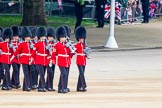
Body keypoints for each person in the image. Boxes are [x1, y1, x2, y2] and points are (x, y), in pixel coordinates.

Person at [10, 27, 33, 91]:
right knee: (26, 73)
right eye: (27, 37)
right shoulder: (22, 44)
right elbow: (17, 51)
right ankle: (28, 86)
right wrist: (12, 58)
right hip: (24, 60)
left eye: (29, 36)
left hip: (29, 60)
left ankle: (25, 87)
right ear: (25, 37)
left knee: (28, 73)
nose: (29, 38)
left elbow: (33, 52)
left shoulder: (30, 44)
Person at [51, 26, 71, 93]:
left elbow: (69, 54)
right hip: (61, 61)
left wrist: (72, 52)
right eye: (62, 37)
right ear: (59, 38)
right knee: (64, 74)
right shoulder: (57, 45)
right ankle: (62, 88)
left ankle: (62, 87)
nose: (63, 38)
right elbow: (54, 53)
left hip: (66, 61)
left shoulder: (67, 45)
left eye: (64, 37)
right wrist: (52, 60)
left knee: (64, 74)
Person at [31, 27, 49, 92]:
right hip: (39, 60)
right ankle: (43, 87)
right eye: (42, 36)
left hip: (45, 61)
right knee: (41, 74)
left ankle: (41, 86)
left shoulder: (47, 44)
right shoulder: (37, 44)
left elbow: (49, 53)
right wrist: (31, 60)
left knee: (43, 73)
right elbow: (33, 53)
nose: (44, 37)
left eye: (44, 36)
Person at [74, 26, 87, 92]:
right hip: (79, 60)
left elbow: (87, 53)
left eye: (83, 38)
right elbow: (72, 51)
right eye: (81, 39)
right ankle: (83, 86)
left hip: (84, 60)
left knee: (81, 74)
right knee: (81, 73)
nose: (82, 40)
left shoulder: (85, 45)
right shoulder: (76, 45)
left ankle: (79, 87)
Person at [45, 27, 56, 91]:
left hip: (53, 60)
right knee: (50, 72)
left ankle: (49, 86)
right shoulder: (46, 43)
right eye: (49, 37)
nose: (50, 38)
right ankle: (48, 86)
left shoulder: (55, 44)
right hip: (48, 60)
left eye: (52, 37)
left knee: (52, 73)